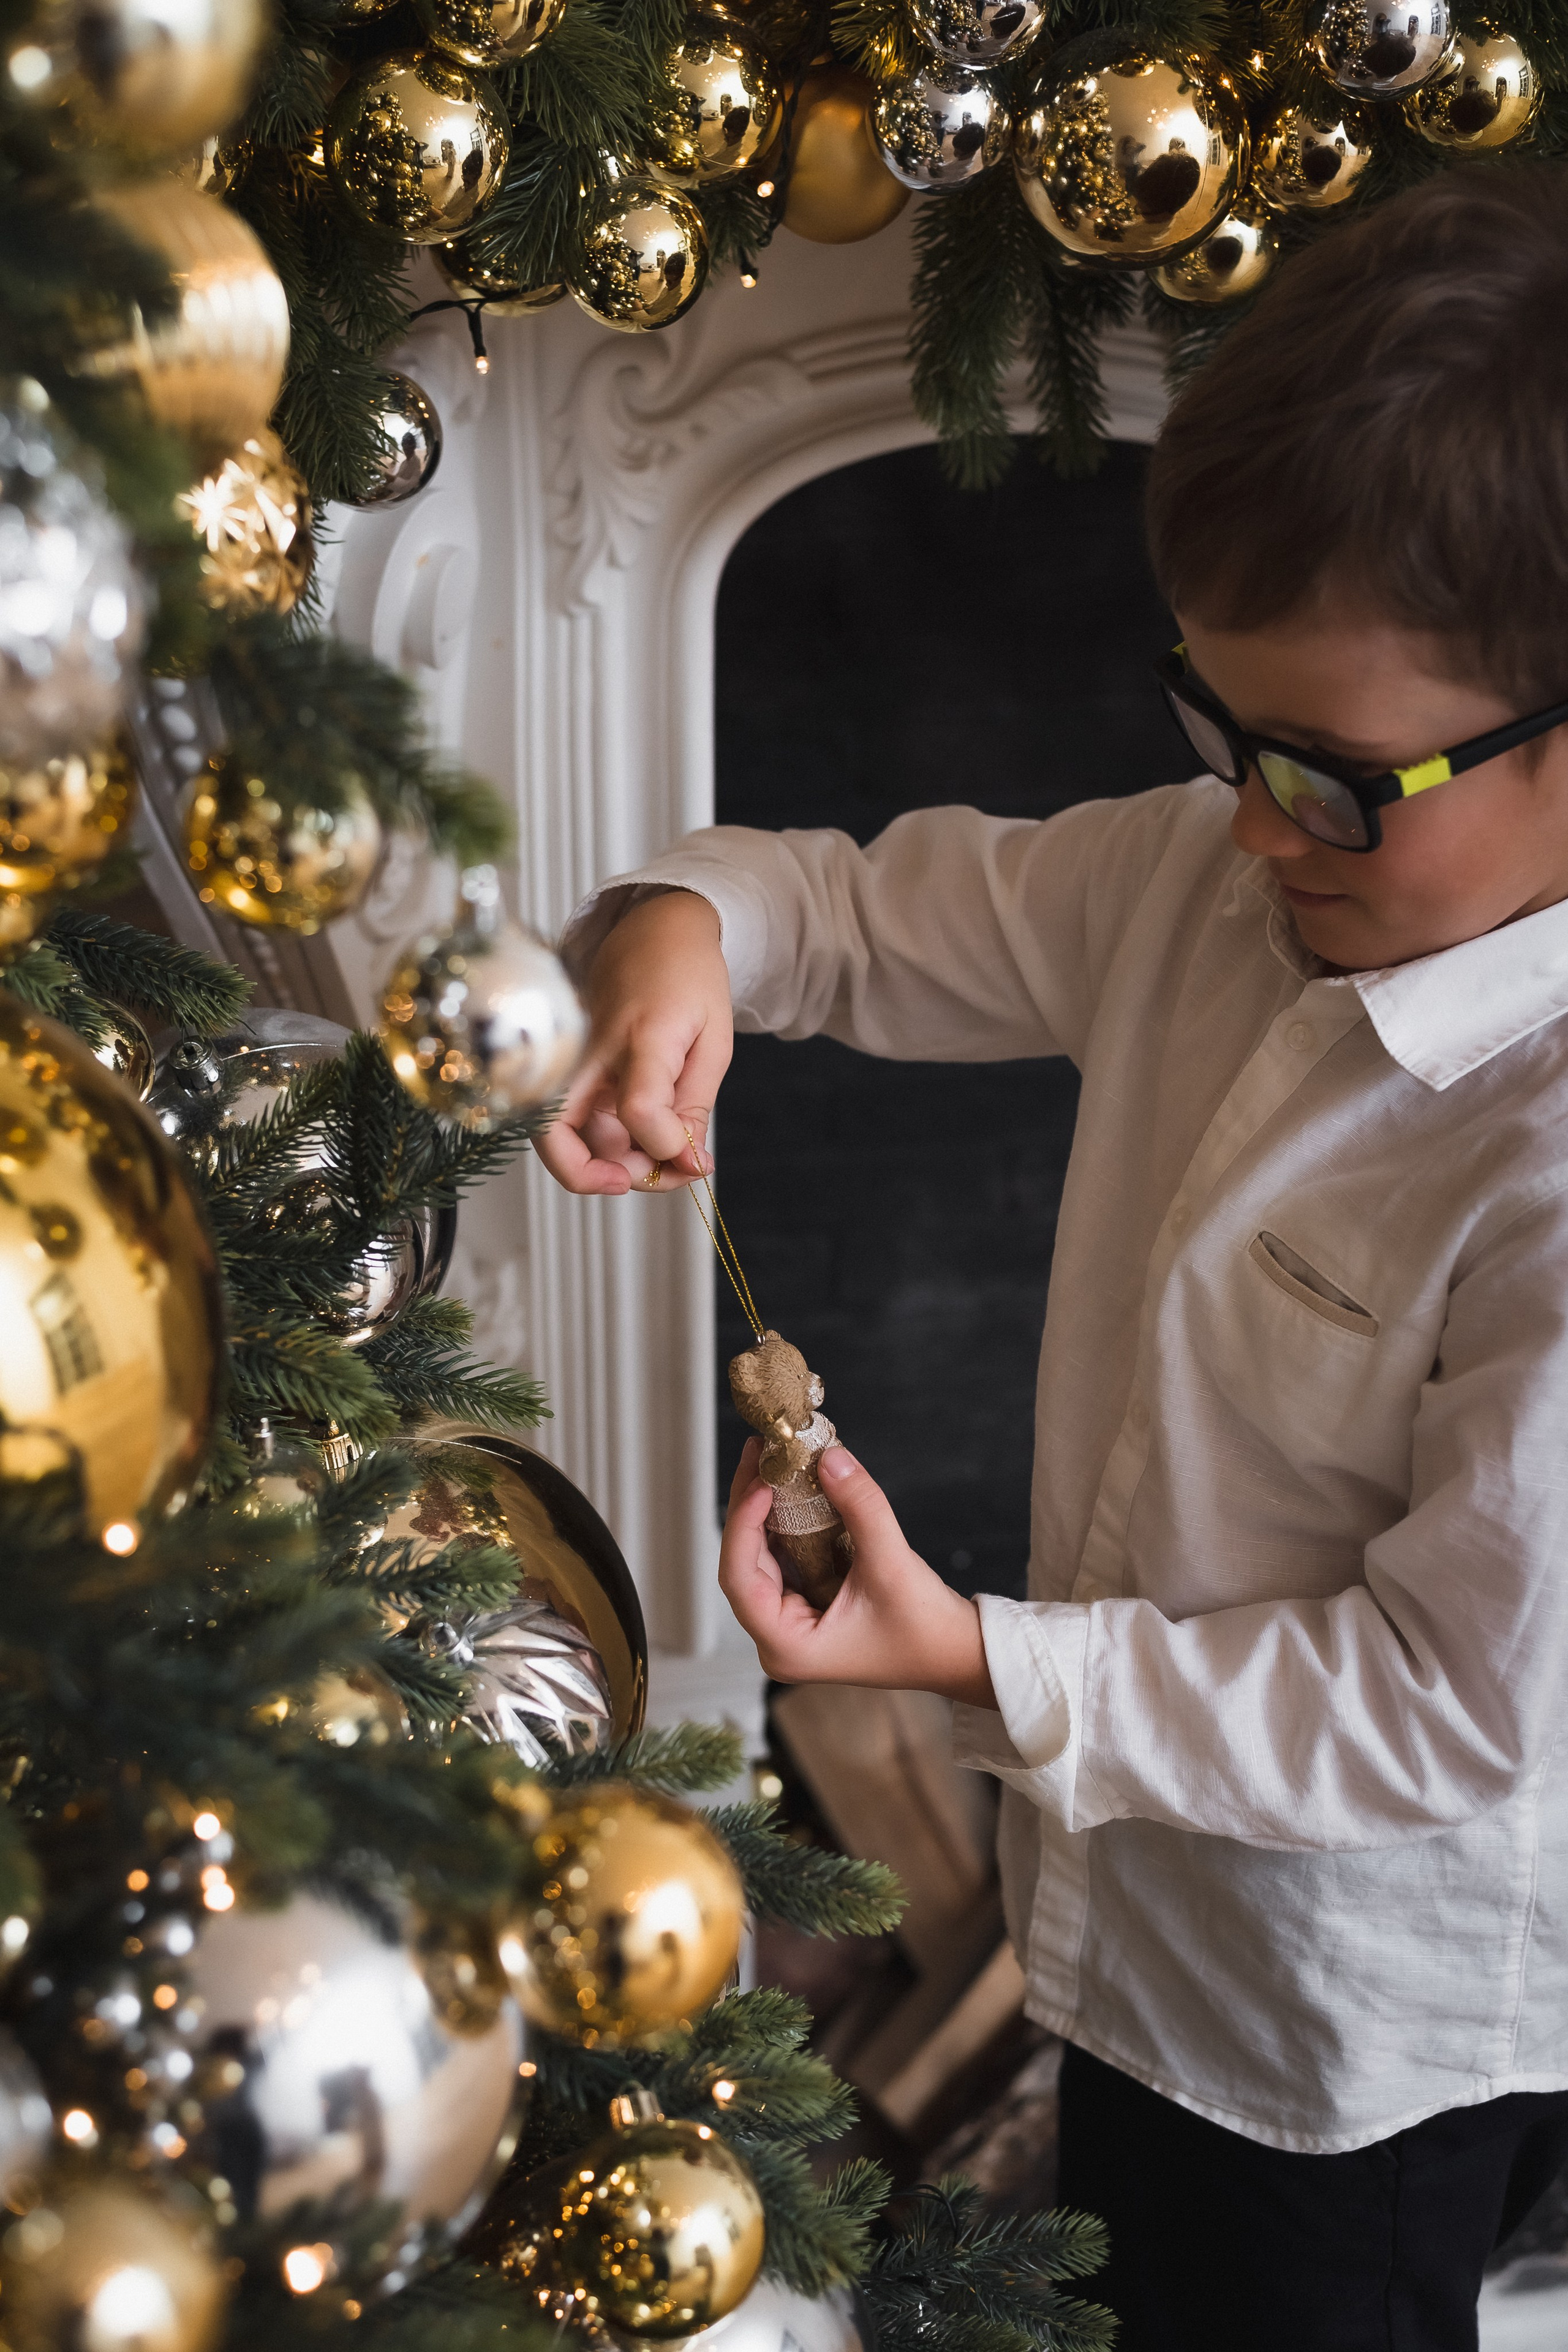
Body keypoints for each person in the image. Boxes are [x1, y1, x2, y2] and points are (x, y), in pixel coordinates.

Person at [537, 168, 1568, 2348]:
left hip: (1330, 2035)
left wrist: (972, 1668)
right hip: (1124, 1915)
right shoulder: (1212, 874)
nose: (1260, 824)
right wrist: (680, 941)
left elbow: (1437, 1711)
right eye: (1217, 727)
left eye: (1339, 780)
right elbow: (839, 904)